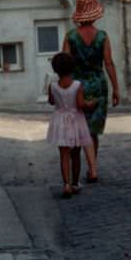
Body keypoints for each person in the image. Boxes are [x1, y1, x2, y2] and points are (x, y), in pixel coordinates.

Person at [63, 0, 120, 180]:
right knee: (92, 130)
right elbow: (109, 63)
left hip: (76, 87)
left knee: (76, 129)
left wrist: (62, 87)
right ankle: (92, 168)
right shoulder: (102, 36)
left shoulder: (71, 36)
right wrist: (116, 89)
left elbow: (65, 63)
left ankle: (75, 171)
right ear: (94, 13)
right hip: (98, 86)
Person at [46, 51, 98, 198]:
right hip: (76, 121)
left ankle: (66, 185)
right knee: (75, 154)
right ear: (72, 67)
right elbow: (81, 104)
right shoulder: (77, 85)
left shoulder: (53, 86)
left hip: (60, 121)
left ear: (55, 69)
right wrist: (91, 104)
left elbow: (51, 102)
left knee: (63, 154)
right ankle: (75, 183)